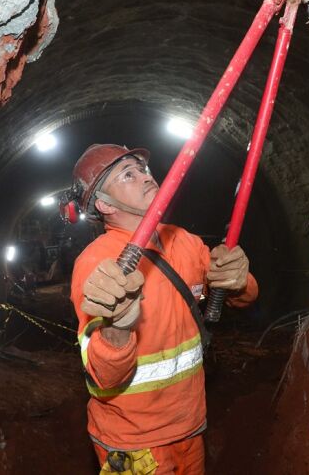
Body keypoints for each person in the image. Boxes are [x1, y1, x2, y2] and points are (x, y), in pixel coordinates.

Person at [69, 144, 259, 474]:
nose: (145, 177)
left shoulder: (182, 241)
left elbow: (242, 299)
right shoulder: (97, 265)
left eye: (142, 169)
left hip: (190, 426)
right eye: (128, 174)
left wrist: (240, 281)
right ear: (103, 204)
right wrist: (116, 329)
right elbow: (102, 377)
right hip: (133, 441)